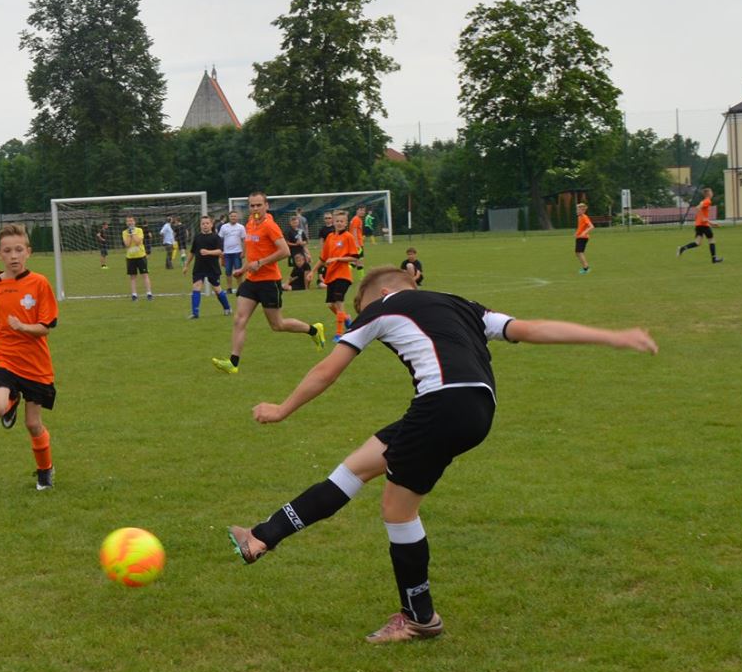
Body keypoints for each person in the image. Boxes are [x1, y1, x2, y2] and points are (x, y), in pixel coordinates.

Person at [225, 266, 657, 643]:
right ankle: (262, 536)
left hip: (441, 405)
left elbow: (327, 369)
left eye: (362, 305)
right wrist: (611, 337)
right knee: (355, 468)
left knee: (398, 511)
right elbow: (530, 329)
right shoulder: (463, 305)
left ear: (380, 293)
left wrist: (282, 409)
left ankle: (419, 618)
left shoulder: (382, 306)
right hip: (476, 407)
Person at [0, 223, 59, 490]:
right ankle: (11, 400)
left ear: (28, 252)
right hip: (6, 359)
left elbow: (45, 327)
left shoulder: (39, 283)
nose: (13, 256)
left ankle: (45, 470)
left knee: (33, 424)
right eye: (7, 251)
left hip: (36, 365)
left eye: (19, 250)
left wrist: (22, 327)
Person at [212, 192, 325, 374]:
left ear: (266, 206)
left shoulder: (270, 226)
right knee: (239, 319)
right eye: (252, 205)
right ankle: (233, 363)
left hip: (269, 282)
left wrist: (261, 263)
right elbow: (253, 254)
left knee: (277, 325)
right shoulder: (250, 223)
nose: (255, 208)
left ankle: (314, 330)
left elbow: (285, 251)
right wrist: (243, 269)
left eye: (259, 205)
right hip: (251, 281)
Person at [319, 209, 361, 337]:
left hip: (343, 276)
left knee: (339, 303)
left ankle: (339, 334)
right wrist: (313, 271)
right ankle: (347, 318)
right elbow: (323, 258)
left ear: (346, 223)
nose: (339, 223)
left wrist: (337, 259)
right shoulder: (330, 237)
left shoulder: (348, 237)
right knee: (330, 305)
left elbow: (354, 257)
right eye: (337, 221)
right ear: (333, 222)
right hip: (331, 275)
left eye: (342, 221)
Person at [187, 214, 229, 318]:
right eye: (203, 224)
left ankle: (227, 308)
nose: (205, 225)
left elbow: (220, 251)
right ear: (200, 225)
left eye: (207, 223)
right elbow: (192, 252)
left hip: (212, 267)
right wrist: (186, 265)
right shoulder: (197, 238)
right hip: (199, 267)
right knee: (196, 287)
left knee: (217, 289)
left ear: (211, 224)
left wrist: (208, 252)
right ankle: (195, 313)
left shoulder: (216, 237)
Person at [679, 190, 721, 263]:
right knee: (711, 240)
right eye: (711, 192)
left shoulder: (704, 201)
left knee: (697, 243)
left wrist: (709, 222)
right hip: (703, 225)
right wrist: (706, 220)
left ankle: (682, 248)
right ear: (708, 194)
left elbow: (699, 209)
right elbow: (698, 207)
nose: (712, 193)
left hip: (699, 224)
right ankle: (714, 259)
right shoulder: (707, 201)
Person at [122, 214, 152, 301]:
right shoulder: (124, 232)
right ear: (126, 223)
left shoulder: (139, 230)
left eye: (131, 221)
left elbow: (138, 242)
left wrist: (133, 233)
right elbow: (127, 244)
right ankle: (134, 295)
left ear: (134, 222)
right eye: (128, 221)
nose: (130, 222)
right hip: (130, 257)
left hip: (141, 256)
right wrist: (129, 234)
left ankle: (149, 293)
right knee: (132, 277)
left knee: (145, 275)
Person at [219, 210, 248, 293]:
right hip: (227, 253)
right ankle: (229, 288)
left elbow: (244, 240)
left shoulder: (241, 227)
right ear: (229, 217)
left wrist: (243, 252)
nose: (233, 218)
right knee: (228, 271)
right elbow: (220, 239)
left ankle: (240, 288)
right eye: (232, 216)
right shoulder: (224, 227)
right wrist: (221, 251)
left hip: (237, 252)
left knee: (238, 271)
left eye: (235, 216)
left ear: (237, 217)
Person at [575, 203, 594, 274]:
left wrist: (584, 233)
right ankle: (585, 267)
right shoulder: (579, 217)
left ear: (583, 211)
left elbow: (591, 226)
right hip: (579, 237)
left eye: (578, 210)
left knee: (579, 252)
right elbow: (581, 227)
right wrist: (577, 233)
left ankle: (586, 268)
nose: (577, 211)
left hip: (583, 238)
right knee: (578, 253)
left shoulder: (584, 217)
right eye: (577, 209)